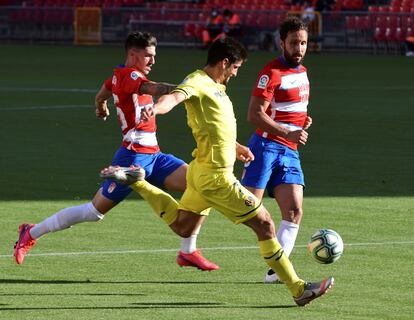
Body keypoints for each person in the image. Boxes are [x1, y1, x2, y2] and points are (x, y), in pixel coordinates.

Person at [106, 36, 334, 306]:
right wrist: (153, 109)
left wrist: (236, 147)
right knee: (264, 223)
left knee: (182, 225)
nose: (236, 74)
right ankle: (298, 289)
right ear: (224, 62)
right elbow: (174, 97)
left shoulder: (216, 87)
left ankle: (139, 182)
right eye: (235, 68)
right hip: (216, 178)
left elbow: (215, 126)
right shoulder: (197, 82)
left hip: (201, 172)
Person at [13, 31, 218, 271]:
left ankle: (188, 251)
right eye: (148, 56)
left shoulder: (118, 75)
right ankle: (31, 232)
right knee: (93, 212)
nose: (153, 61)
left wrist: (101, 106)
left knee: (202, 186)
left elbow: (103, 93)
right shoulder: (131, 75)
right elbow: (157, 88)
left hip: (155, 155)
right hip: (132, 158)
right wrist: (192, 89)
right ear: (133, 55)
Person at [240, 17, 312, 284]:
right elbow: (254, 114)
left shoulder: (302, 72)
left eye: (303, 42)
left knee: (294, 211)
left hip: (289, 150)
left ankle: (277, 272)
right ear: (282, 43)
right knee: (246, 209)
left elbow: (290, 109)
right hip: (265, 147)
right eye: (294, 42)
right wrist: (287, 131)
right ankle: (200, 207)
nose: (299, 48)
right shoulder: (270, 73)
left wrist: (302, 121)